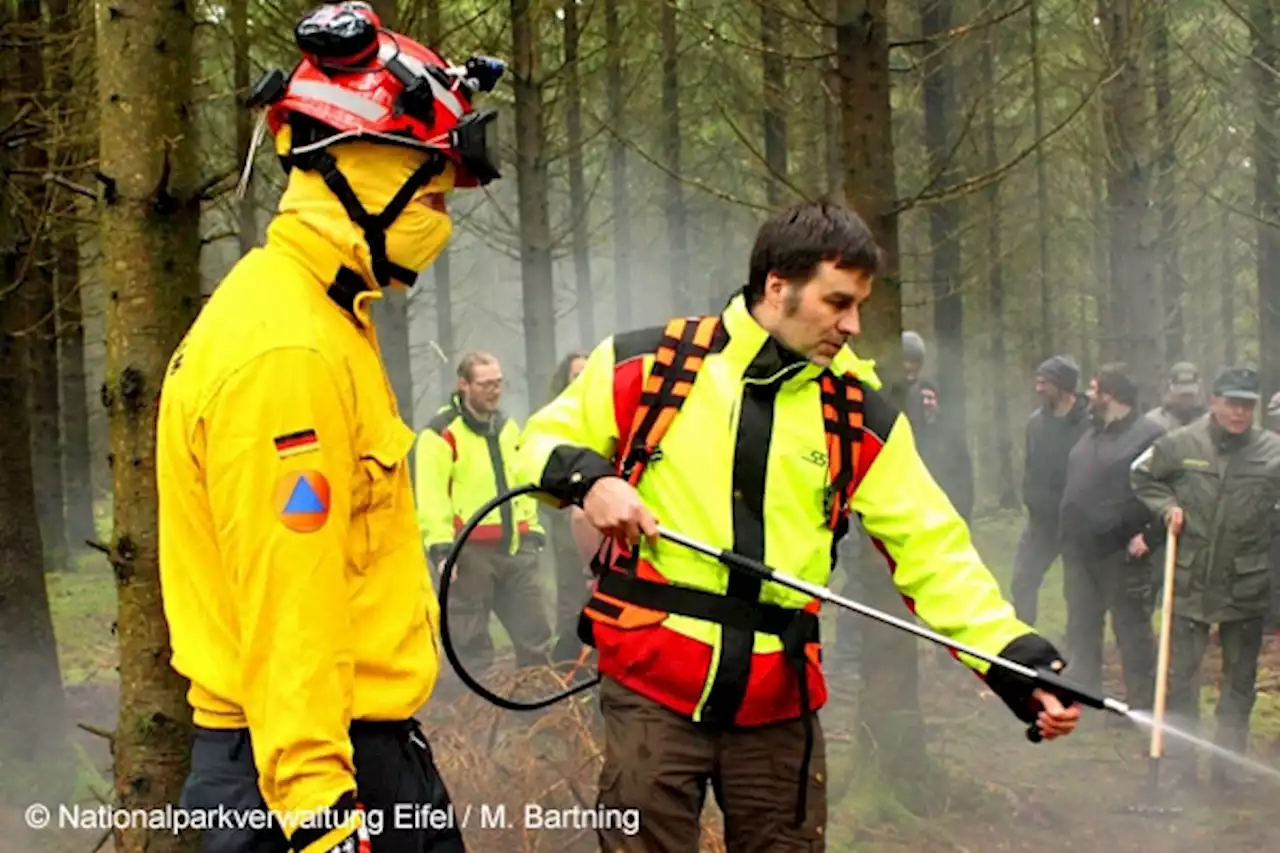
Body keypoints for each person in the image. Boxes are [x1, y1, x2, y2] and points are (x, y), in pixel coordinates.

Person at [514, 200, 1080, 853]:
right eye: (838, 302)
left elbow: (934, 548)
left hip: (779, 706)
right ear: (777, 286)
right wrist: (593, 478)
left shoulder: (859, 416)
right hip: (650, 690)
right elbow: (540, 440)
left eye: (860, 304)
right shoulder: (650, 363)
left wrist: (1015, 659)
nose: (853, 324)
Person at [155, 4, 505, 851]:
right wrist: (321, 817)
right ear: (353, 171)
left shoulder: (323, 314)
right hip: (305, 777)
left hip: (356, 752)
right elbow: (289, 603)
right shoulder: (288, 350)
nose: (440, 221)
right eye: (427, 191)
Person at [1131, 367, 1280, 787]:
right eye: (1231, 403)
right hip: (1189, 577)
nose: (1238, 412)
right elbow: (1141, 475)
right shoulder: (1181, 443)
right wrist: (1165, 508)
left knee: (1240, 682)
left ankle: (1228, 768)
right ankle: (1180, 767)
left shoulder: (1272, 451)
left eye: (1247, 405)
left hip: (1246, 582)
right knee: (1180, 677)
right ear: (1213, 401)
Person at [416, 352, 552, 677]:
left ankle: (539, 715)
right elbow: (431, 495)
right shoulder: (440, 434)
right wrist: (441, 550)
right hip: (468, 555)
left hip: (516, 549)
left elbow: (523, 480)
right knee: (469, 644)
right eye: (486, 384)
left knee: (534, 633)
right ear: (463, 384)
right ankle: (469, 718)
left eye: (498, 383)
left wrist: (532, 532)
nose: (495, 391)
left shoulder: (507, 428)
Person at [1058, 363, 1164, 717]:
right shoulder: (1092, 432)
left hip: (1120, 553)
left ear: (1112, 395)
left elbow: (1167, 492)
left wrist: (1150, 535)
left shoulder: (1149, 436)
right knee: (1082, 627)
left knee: (1131, 633)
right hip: (1079, 551)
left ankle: (1143, 708)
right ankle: (1085, 698)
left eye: (1095, 388)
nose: (1088, 395)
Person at [1010, 355, 1089, 625]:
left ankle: (1079, 652)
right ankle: (1024, 645)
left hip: (1078, 522)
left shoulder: (1089, 424)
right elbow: (1031, 466)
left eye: (1044, 383)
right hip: (1041, 522)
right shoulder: (1036, 423)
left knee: (1079, 593)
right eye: (1038, 382)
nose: (1038, 388)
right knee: (1022, 580)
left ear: (1063, 386)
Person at [541, 350, 594, 664]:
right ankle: (564, 665)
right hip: (566, 520)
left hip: (601, 520)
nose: (584, 379)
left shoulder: (602, 412)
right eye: (577, 374)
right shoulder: (556, 419)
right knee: (572, 594)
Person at [915, 379, 974, 523]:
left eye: (930, 398)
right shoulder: (908, 432)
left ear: (938, 403)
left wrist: (964, 509)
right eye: (922, 399)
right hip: (919, 510)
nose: (926, 403)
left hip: (949, 507)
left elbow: (965, 472)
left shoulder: (951, 433)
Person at [1145, 361, 1208, 431]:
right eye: (1181, 395)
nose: (1186, 398)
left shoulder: (1208, 422)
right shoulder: (1154, 421)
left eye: (1190, 395)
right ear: (1169, 390)